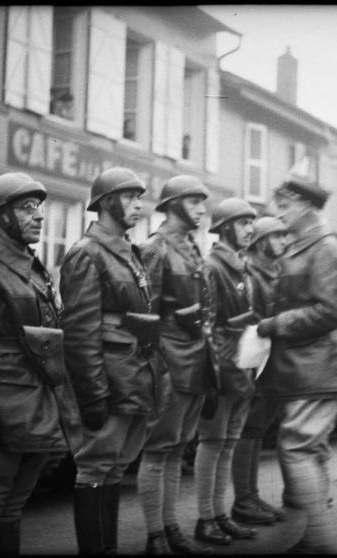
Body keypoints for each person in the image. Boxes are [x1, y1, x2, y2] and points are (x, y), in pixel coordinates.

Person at [0, 172, 81, 555]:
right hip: (1, 408)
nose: (40, 216)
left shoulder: (32, 265)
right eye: (27, 207)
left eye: (40, 207)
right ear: (1, 216)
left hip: (37, 402)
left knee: (14, 504)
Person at [60, 167, 168, 555]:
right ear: (107, 202)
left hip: (134, 378)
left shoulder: (129, 252)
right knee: (94, 468)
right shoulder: (87, 254)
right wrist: (92, 397)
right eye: (130, 197)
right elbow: (81, 334)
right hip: (109, 381)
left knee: (115, 468)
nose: (139, 205)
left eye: (140, 198)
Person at [256, 177, 337, 554]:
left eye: (285, 204)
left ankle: (317, 539)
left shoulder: (326, 250)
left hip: (315, 369)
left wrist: (275, 324)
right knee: (306, 451)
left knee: (297, 449)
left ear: (307, 207)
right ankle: (315, 535)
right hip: (304, 369)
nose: (278, 211)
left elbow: (329, 312)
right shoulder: (305, 249)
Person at [136, 175, 216, 555]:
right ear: (173, 205)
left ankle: (169, 526)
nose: (202, 209)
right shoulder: (155, 248)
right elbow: (143, 314)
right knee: (158, 449)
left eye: (204, 202)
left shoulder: (191, 247)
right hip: (168, 361)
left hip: (194, 359)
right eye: (195, 201)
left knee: (175, 450)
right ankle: (155, 535)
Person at [193, 197, 259, 546]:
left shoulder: (239, 266)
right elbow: (208, 326)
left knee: (228, 443)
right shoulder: (213, 267)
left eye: (251, 222)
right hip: (222, 369)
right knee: (213, 441)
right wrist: (225, 370)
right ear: (224, 227)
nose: (250, 229)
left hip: (240, 366)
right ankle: (206, 518)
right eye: (242, 222)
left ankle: (221, 514)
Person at [231, 216, 288, 526]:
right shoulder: (250, 271)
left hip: (272, 358)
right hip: (254, 356)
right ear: (262, 240)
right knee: (248, 428)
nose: (283, 241)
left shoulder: (273, 271)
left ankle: (251, 495)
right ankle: (243, 499)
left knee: (257, 429)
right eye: (277, 236)